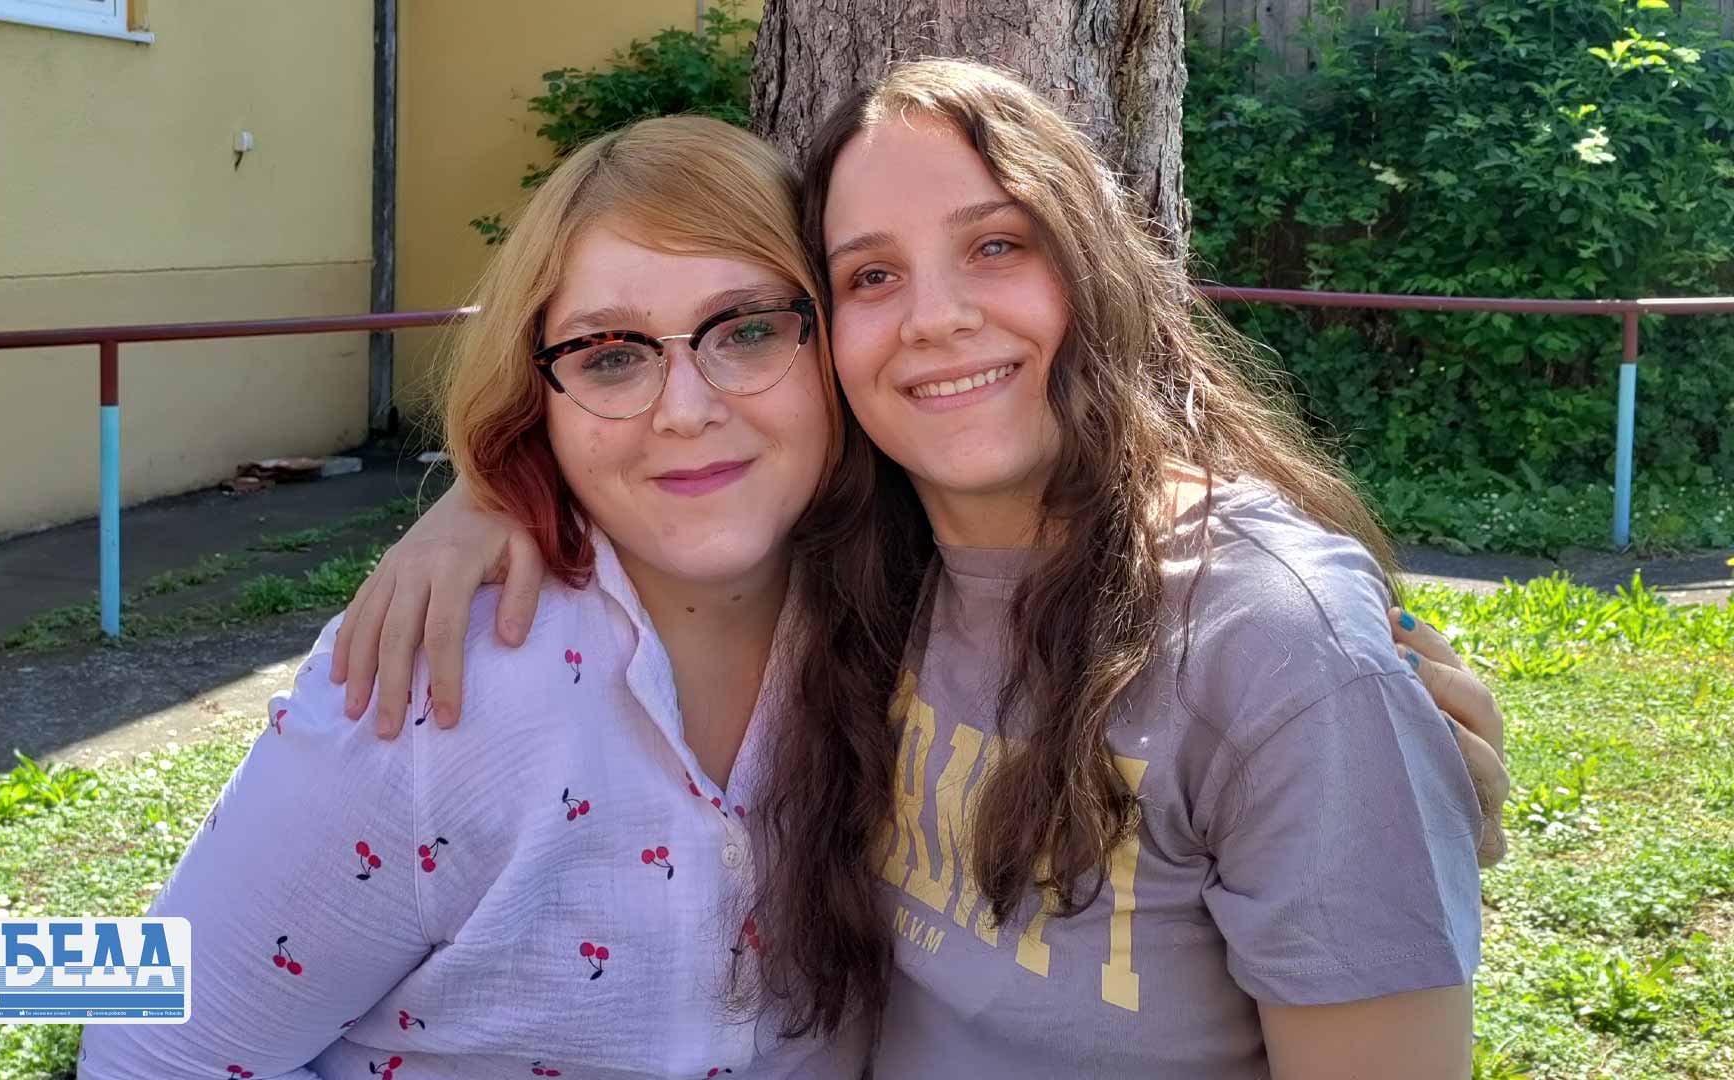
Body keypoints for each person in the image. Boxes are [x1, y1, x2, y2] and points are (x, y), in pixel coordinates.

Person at [332, 60, 1510, 1079]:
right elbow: (666, 417)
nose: (935, 317)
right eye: (870, 276)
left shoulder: (1267, 640)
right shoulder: (857, 572)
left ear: (1094, 269)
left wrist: (1358, 730)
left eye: (997, 245)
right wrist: (488, 497)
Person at [78, 115, 868, 1080]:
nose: (686, 409)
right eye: (610, 355)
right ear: (541, 401)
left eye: (747, 330)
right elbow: (153, 1052)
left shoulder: (914, 625)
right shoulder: (426, 676)